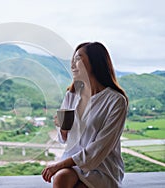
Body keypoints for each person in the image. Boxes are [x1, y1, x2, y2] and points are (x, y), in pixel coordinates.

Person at [41, 42, 128, 188]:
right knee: (61, 178)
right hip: (73, 163)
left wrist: (58, 165)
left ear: (95, 62)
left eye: (78, 59)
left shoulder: (116, 101)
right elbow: (65, 139)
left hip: (102, 167)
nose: (73, 64)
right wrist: (62, 128)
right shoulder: (72, 95)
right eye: (72, 60)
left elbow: (99, 148)